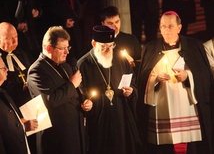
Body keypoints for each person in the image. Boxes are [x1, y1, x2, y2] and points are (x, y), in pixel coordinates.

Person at [136, 11, 213, 154]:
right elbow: (142, 79)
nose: (166, 30)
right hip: (162, 106)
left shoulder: (194, 46)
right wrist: (155, 79)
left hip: (187, 105)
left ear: (179, 27)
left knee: (192, 146)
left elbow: (205, 76)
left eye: (170, 26)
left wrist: (188, 76)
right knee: (162, 147)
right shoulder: (150, 48)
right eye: (163, 26)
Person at [77, 25, 143, 154]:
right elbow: (80, 90)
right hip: (98, 117)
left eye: (111, 45)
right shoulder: (83, 64)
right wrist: (85, 102)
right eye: (103, 46)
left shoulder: (120, 59)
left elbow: (133, 82)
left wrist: (131, 92)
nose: (108, 50)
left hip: (120, 115)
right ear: (94, 43)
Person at [27, 26, 92, 154]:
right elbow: (50, 101)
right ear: (48, 48)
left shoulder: (66, 66)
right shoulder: (37, 71)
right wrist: (72, 84)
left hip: (76, 133)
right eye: (62, 48)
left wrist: (86, 101)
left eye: (68, 48)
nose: (67, 52)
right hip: (57, 139)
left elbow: (79, 90)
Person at [0, 22, 37, 153]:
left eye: (16, 36)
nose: (16, 40)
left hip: (32, 105)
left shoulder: (23, 54)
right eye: (10, 38)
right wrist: (20, 88)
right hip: (13, 111)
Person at [100, 6, 142, 71]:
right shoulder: (98, 43)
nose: (115, 26)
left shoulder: (131, 39)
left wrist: (133, 63)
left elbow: (141, 63)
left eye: (117, 22)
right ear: (103, 24)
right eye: (110, 23)